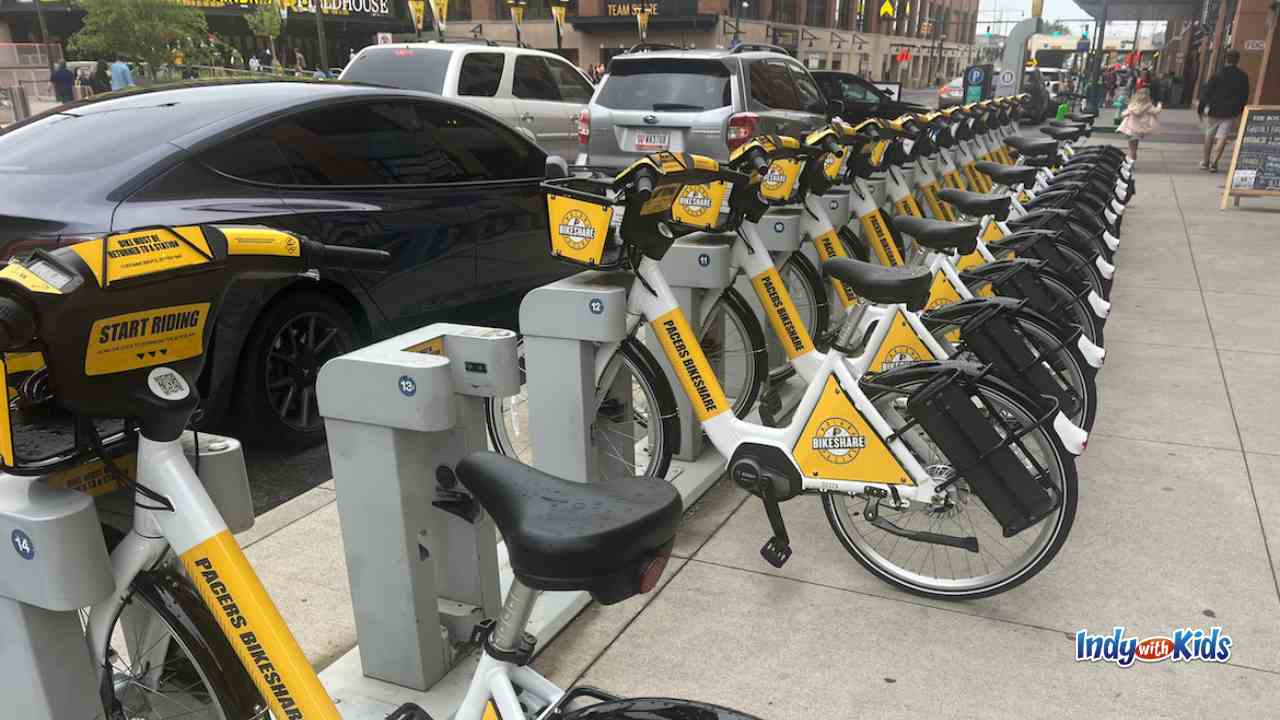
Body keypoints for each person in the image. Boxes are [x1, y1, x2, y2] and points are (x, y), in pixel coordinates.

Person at [1198, 48, 1251, 172]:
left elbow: (1207, 92)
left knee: (1209, 134)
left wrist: (1201, 108)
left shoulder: (1218, 74)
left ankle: (1205, 161)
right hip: (1231, 111)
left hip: (1215, 109)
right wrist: (1241, 109)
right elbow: (1245, 94)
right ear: (1238, 60)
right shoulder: (1243, 76)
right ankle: (1214, 163)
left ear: (1225, 59)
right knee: (1223, 136)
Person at [1117, 87, 1162, 165]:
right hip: (1138, 130)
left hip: (1129, 129)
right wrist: (1159, 105)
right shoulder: (1148, 106)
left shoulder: (1132, 105)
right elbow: (1156, 111)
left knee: (1131, 148)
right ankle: (1131, 163)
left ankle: (1130, 162)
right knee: (1134, 149)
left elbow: (1124, 114)